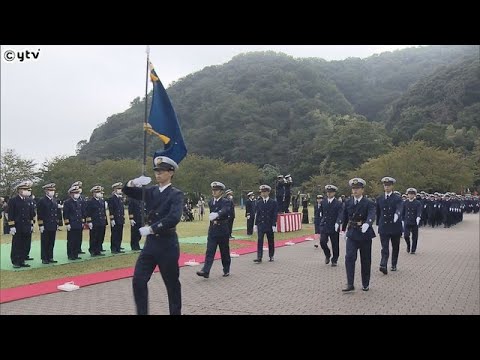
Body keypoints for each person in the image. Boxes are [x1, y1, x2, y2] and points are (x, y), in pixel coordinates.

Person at [123, 156, 184, 315]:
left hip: (167, 244)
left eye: (162, 171)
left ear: (171, 173)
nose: (158, 174)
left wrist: (152, 229)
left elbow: (173, 218)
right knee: (138, 280)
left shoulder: (176, 194)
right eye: (156, 171)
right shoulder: (151, 191)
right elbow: (128, 191)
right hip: (151, 246)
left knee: (171, 284)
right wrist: (134, 182)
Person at [341, 178, 376, 292]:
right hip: (352, 233)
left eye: (357, 189)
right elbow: (345, 216)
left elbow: (372, 214)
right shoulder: (348, 202)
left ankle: (365, 283)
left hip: (364, 234)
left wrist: (368, 223)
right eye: (353, 189)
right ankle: (350, 283)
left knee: (365, 259)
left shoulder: (368, 202)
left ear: (362, 190)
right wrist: (343, 230)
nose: (355, 191)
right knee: (349, 258)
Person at [196, 181, 232, 278]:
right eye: (213, 190)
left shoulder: (226, 201)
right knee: (210, 250)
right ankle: (206, 270)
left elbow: (225, 210)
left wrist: (218, 214)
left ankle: (226, 269)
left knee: (224, 251)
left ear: (221, 192)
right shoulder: (211, 202)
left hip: (223, 229)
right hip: (213, 229)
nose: (214, 192)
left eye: (216, 190)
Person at [376, 177, 403, 274]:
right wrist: (377, 224)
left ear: (392, 186)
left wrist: (397, 214)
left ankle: (394, 263)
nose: (386, 187)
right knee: (385, 247)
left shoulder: (397, 198)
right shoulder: (380, 198)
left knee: (395, 246)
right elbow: (378, 212)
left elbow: (400, 208)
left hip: (395, 226)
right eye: (385, 185)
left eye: (388, 185)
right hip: (384, 226)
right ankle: (383, 264)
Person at [7, 181, 35, 268]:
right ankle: (16, 261)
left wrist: (31, 225)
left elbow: (30, 214)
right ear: (19, 190)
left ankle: (22, 260)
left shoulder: (28, 200)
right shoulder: (13, 200)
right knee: (17, 244)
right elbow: (10, 214)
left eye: (27, 189)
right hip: (18, 226)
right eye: (24, 189)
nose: (26, 191)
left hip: (26, 226)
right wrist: (12, 226)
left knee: (25, 244)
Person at [318, 185, 343, 266]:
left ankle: (335, 259)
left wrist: (338, 223)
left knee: (335, 244)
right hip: (325, 225)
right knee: (322, 242)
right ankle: (327, 254)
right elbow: (321, 212)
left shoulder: (338, 203)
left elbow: (340, 214)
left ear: (334, 193)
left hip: (334, 225)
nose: (329, 194)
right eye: (328, 192)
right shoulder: (323, 202)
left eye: (331, 192)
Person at [253, 185, 279, 263]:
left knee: (270, 240)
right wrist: (255, 224)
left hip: (269, 224)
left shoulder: (273, 202)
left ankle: (271, 255)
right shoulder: (258, 202)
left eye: (265, 192)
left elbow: (274, 214)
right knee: (260, 240)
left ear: (268, 192)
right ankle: (259, 257)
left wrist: (274, 224)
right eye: (262, 192)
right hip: (261, 224)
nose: (263, 194)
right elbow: (257, 214)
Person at [37, 183, 59, 264]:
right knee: (45, 242)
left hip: (53, 224)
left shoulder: (54, 200)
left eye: (53, 190)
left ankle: (50, 257)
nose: (52, 192)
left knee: (51, 242)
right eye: (50, 190)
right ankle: (44, 258)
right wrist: (41, 225)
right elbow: (40, 214)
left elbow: (56, 213)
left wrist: (57, 223)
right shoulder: (42, 201)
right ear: (46, 191)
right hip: (46, 224)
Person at [63, 185, 85, 260]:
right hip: (72, 224)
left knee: (77, 239)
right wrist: (67, 224)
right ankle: (70, 255)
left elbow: (80, 213)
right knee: (71, 240)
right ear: (71, 194)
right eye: (75, 193)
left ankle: (75, 254)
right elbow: (66, 214)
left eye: (77, 193)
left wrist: (82, 222)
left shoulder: (79, 202)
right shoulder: (67, 202)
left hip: (78, 223)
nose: (77, 194)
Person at [85, 186, 108, 257]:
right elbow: (88, 212)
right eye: (97, 192)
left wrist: (105, 221)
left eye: (99, 192)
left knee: (100, 237)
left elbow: (103, 212)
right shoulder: (90, 202)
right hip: (94, 222)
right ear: (93, 193)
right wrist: (89, 222)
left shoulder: (101, 201)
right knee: (94, 237)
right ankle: (92, 250)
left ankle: (98, 250)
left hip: (101, 222)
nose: (99, 193)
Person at [402, 188, 423, 254]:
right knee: (406, 235)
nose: (411, 195)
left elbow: (419, 211)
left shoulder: (417, 203)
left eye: (412, 194)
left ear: (415, 195)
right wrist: (402, 220)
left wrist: (418, 217)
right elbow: (403, 212)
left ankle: (413, 249)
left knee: (414, 236)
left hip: (414, 221)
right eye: (409, 194)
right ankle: (408, 245)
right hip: (407, 221)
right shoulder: (405, 202)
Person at [108, 182, 125, 253]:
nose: (120, 190)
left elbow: (121, 209)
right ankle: (114, 248)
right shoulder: (112, 198)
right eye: (118, 188)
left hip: (120, 219)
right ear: (114, 189)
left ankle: (118, 247)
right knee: (115, 234)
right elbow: (111, 209)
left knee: (119, 234)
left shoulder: (120, 198)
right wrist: (112, 219)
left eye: (120, 188)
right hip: (115, 219)